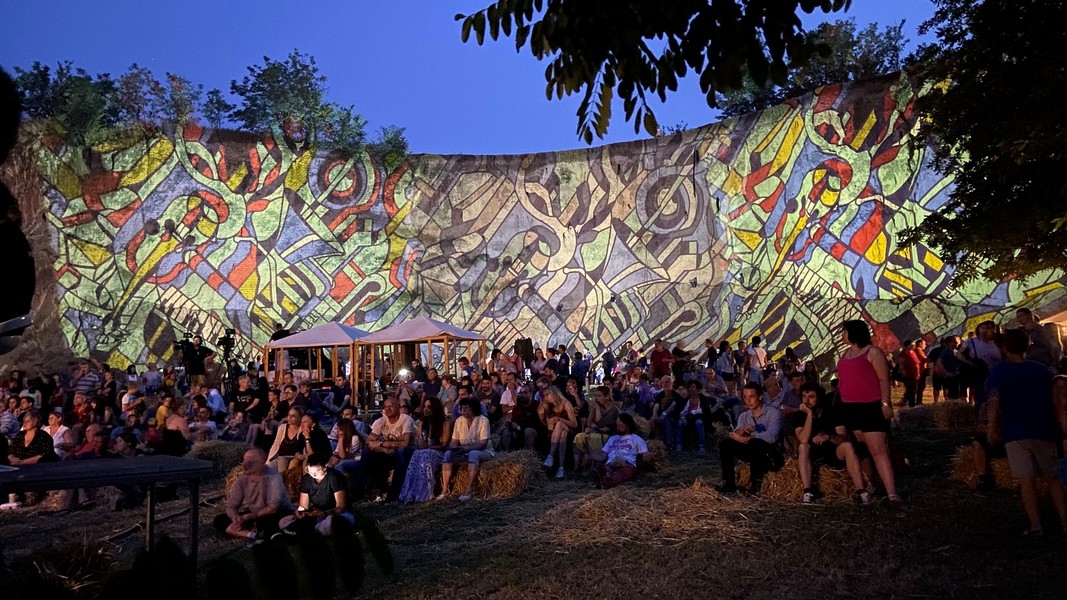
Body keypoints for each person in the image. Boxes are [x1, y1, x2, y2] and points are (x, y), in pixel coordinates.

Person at [987, 328, 1067, 535]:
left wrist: (991, 427)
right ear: (1028, 346)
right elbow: (1055, 400)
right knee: (1052, 478)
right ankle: (1064, 521)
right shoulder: (1042, 371)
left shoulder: (999, 372)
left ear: (1004, 348)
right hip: (1043, 428)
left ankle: (1036, 526)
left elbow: (994, 402)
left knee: (1026, 480)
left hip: (1015, 431)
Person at [837, 320, 899, 503]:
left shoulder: (873, 353)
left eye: (845, 331)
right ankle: (870, 486)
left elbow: (883, 380)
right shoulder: (845, 354)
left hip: (870, 407)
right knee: (862, 451)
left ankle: (892, 493)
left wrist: (885, 404)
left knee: (878, 450)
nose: (842, 335)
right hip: (850, 408)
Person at [792, 383, 869, 504]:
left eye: (811, 397)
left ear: (819, 398)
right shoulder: (799, 416)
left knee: (848, 446)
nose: (806, 401)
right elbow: (803, 439)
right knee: (803, 447)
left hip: (832, 452)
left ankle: (861, 491)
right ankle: (808, 491)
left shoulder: (832, 412)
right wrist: (809, 415)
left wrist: (828, 437)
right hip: (812, 455)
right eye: (804, 396)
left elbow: (844, 437)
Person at [214, 448, 294, 541]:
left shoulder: (274, 477)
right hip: (254, 513)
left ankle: (250, 533)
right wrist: (235, 518)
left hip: (276, 513)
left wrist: (249, 517)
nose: (245, 465)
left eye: (251, 462)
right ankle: (252, 535)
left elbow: (273, 508)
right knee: (220, 519)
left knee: (268, 521)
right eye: (244, 461)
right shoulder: (242, 479)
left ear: (262, 464)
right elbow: (232, 505)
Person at [717, 383, 782, 495]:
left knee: (754, 442)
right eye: (745, 397)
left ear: (760, 397)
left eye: (751, 396)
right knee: (726, 444)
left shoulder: (773, 413)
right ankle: (729, 483)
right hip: (752, 451)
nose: (748, 400)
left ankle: (756, 485)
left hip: (769, 452)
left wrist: (746, 439)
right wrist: (741, 430)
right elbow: (735, 435)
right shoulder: (744, 416)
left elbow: (771, 437)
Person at [277, 454, 353, 536]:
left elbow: (341, 507)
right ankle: (305, 529)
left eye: (316, 472)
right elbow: (303, 505)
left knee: (333, 522)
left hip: (333, 514)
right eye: (310, 472)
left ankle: (306, 530)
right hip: (314, 514)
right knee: (284, 521)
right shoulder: (307, 479)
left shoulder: (334, 477)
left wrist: (323, 513)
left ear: (325, 467)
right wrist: (302, 512)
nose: (312, 475)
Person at [438, 397, 494, 501]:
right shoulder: (459, 421)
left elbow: (483, 444)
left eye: (466, 408)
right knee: (448, 454)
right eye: (461, 408)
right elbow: (454, 441)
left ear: (473, 408)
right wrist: (454, 447)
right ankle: (445, 490)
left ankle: (469, 489)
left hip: (483, 451)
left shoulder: (483, 420)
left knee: (473, 454)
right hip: (464, 451)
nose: (463, 410)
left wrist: (466, 448)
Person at [361, 397, 416, 502]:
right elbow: (368, 442)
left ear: (398, 407)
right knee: (367, 452)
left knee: (401, 452)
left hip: (409, 453)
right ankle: (361, 492)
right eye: (385, 406)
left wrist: (382, 443)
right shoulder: (381, 421)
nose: (388, 408)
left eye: (391, 405)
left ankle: (393, 495)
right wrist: (384, 450)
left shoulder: (406, 419)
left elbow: (405, 444)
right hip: (389, 452)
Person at [398, 396, 452, 502]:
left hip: (439, 452)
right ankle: (411, 491)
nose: (426, 409)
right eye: (425, 407)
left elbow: (444, 445)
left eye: (429, 407)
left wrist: (429, 447)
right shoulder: (422, 424)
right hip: (425, 451)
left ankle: (425, 492)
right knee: (416, 453)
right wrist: (421, 443)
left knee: (424, 453)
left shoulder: (444, 423)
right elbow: (420, 440)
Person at [590, 413, 650, 489]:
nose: (618, 427)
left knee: (621, 473)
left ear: (628, 424)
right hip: (611, 463)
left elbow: (644, 453)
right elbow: (603, 455)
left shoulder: (636, 439)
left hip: (626, 463)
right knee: (607, 469)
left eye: (621, 425)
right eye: (617, 425)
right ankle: (604, 478)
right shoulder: (613, 438)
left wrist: (648, 456)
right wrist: (593, 454)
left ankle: (604, 481)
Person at [573, 385, 620, 472]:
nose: (597, 398)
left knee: (595, 438)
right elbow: (589, 422)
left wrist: (597, 410)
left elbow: (601, 423)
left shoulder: (614, 410)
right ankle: (577, 467)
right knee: (578, 437)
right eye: (596, 396)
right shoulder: (596, 407)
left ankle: (594, 467)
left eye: (599, 396)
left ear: (607, 397)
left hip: (608, 436)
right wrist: (593, 411)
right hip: (595, 432)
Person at [538, 386, 577, 479]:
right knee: (562, 434)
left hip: (569, 428)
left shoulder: (566, 404)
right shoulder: (549, 407)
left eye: (548, 394)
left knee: (560, 424)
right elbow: (548, 426)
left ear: (554, 394)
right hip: (556, 432)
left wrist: (559, 419)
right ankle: (561, 467)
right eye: (544, 396)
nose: (546, 397)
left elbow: (574, 424)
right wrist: (542, 415)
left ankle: (551, 455)